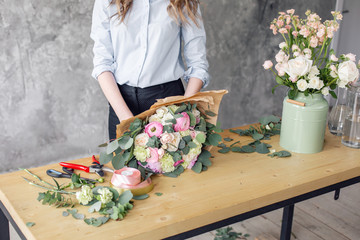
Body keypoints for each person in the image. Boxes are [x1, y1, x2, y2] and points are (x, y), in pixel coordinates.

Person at [91, 0, 210, 140]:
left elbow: (198, 64)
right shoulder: (106, 2)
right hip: (121, 103)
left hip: (169, 105)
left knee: (169, 161)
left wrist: (183, 114)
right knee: (121, 161)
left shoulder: (183, 2)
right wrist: (126, 120)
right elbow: (102, 62)